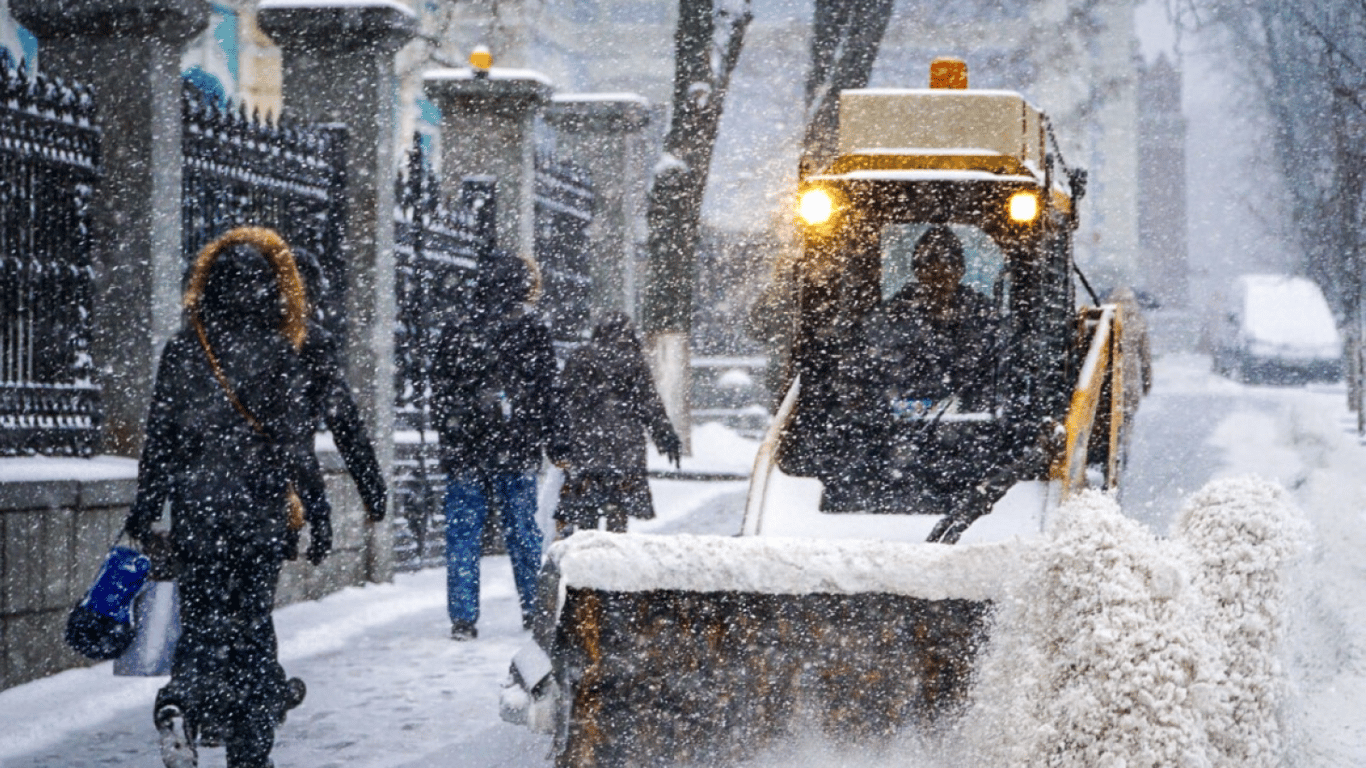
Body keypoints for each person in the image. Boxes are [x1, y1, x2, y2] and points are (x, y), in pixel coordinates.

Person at [124, 227, 329, 768]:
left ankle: (180, 701)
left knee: (202, 626)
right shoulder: (278, 352)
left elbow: (160, 438)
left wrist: (147, 509)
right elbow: (297, 447)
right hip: (258, 514)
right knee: (252, 630)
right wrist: (319, 512)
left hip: (198, 512)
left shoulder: (183, 350)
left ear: (206, 286)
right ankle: (249, 749)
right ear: (269, 290)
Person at [851, 225, 1014, 541]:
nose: (939, 276)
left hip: (974, 442)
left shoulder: (983, 316)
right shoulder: (892, 316)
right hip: (891, 440)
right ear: (916, 270)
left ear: (961, 270)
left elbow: (995, 373)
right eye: (929, 266)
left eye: (947, 266)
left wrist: (961, 401)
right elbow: (874, 372)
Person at [431, 251, 555, 640]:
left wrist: (454, 433)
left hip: (466, 450)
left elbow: (440, 391)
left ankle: (463, 618)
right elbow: (547, 392)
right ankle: (534, 610)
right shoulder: (531, 329)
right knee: (522, 531)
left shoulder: (457, 328)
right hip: (514, 446)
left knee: (463, 534)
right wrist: (556, 439)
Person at [549, 312, 682, 535]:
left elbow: (562, 403)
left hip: (586, 447)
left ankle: (586, 555)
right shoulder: (633, 360)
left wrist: (559, 441)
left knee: (586, 512)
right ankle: (614, 556)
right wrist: (665, 436)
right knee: (618, 510)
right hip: (625, 450)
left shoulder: (580, 358)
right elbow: (650, 405)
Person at [292, 247, 387, 528]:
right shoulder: (311, 343)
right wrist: (371, 486)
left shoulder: (214, 339)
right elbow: (344, 421)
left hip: (206, 491)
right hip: (278, 490)